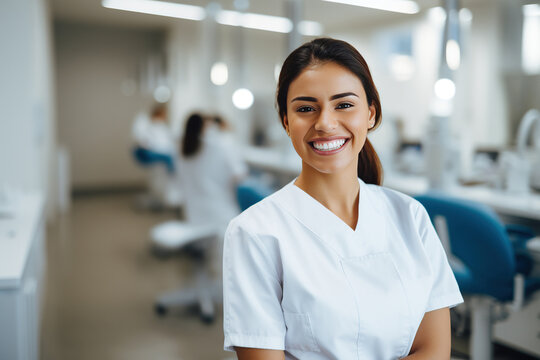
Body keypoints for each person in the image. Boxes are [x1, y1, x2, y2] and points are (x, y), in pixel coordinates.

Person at [222, 38, 463, 359]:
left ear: (371, 114)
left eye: (344, 104)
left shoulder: (410, 216)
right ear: (286, 122)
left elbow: (435, 349)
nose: (324, 123)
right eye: (306, 109)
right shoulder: (254, 233)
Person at [179, 113, 247, 235]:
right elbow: (240, 175)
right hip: (221, 216)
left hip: (193, 215)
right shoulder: (222, 145)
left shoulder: (183, 150)